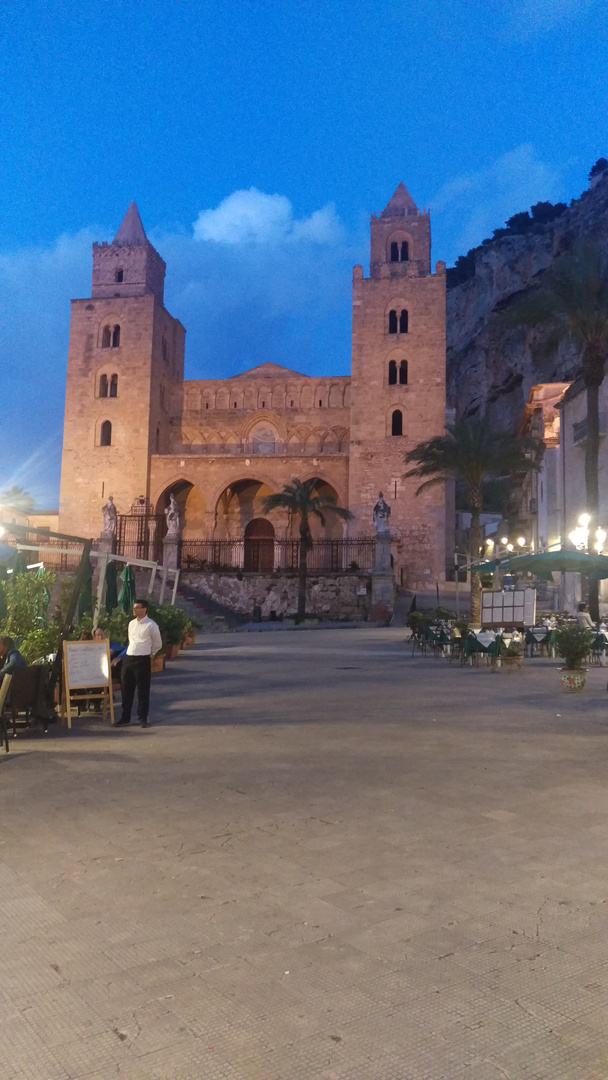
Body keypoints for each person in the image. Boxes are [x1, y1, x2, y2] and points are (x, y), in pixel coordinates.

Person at [115, 599, 162, 729]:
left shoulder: (151, 625)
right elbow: (131, 640)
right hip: (129, 658)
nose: (134, 610)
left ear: (144, 609)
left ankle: (143, 717)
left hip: (143, 658)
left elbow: (157, 643)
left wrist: (151, 653)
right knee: (126, 689)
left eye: (137, 608)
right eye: (133, 607)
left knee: (143, 690)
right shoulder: (131, 624)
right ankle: (125, 717)